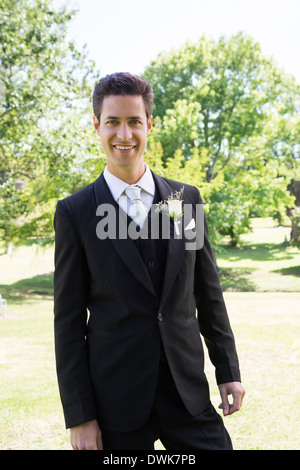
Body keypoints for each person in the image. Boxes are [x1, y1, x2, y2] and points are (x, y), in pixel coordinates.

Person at [53, 72, 245, 450]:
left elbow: (209, 295)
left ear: (149, 125)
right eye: (113, 122)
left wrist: (228, 371)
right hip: (115, 404)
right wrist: (80, 415)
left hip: (187, 396)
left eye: (134, 122)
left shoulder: (187, 199)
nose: (124, 134)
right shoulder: (75, 212)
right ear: (96, 125)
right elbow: (69, 322)